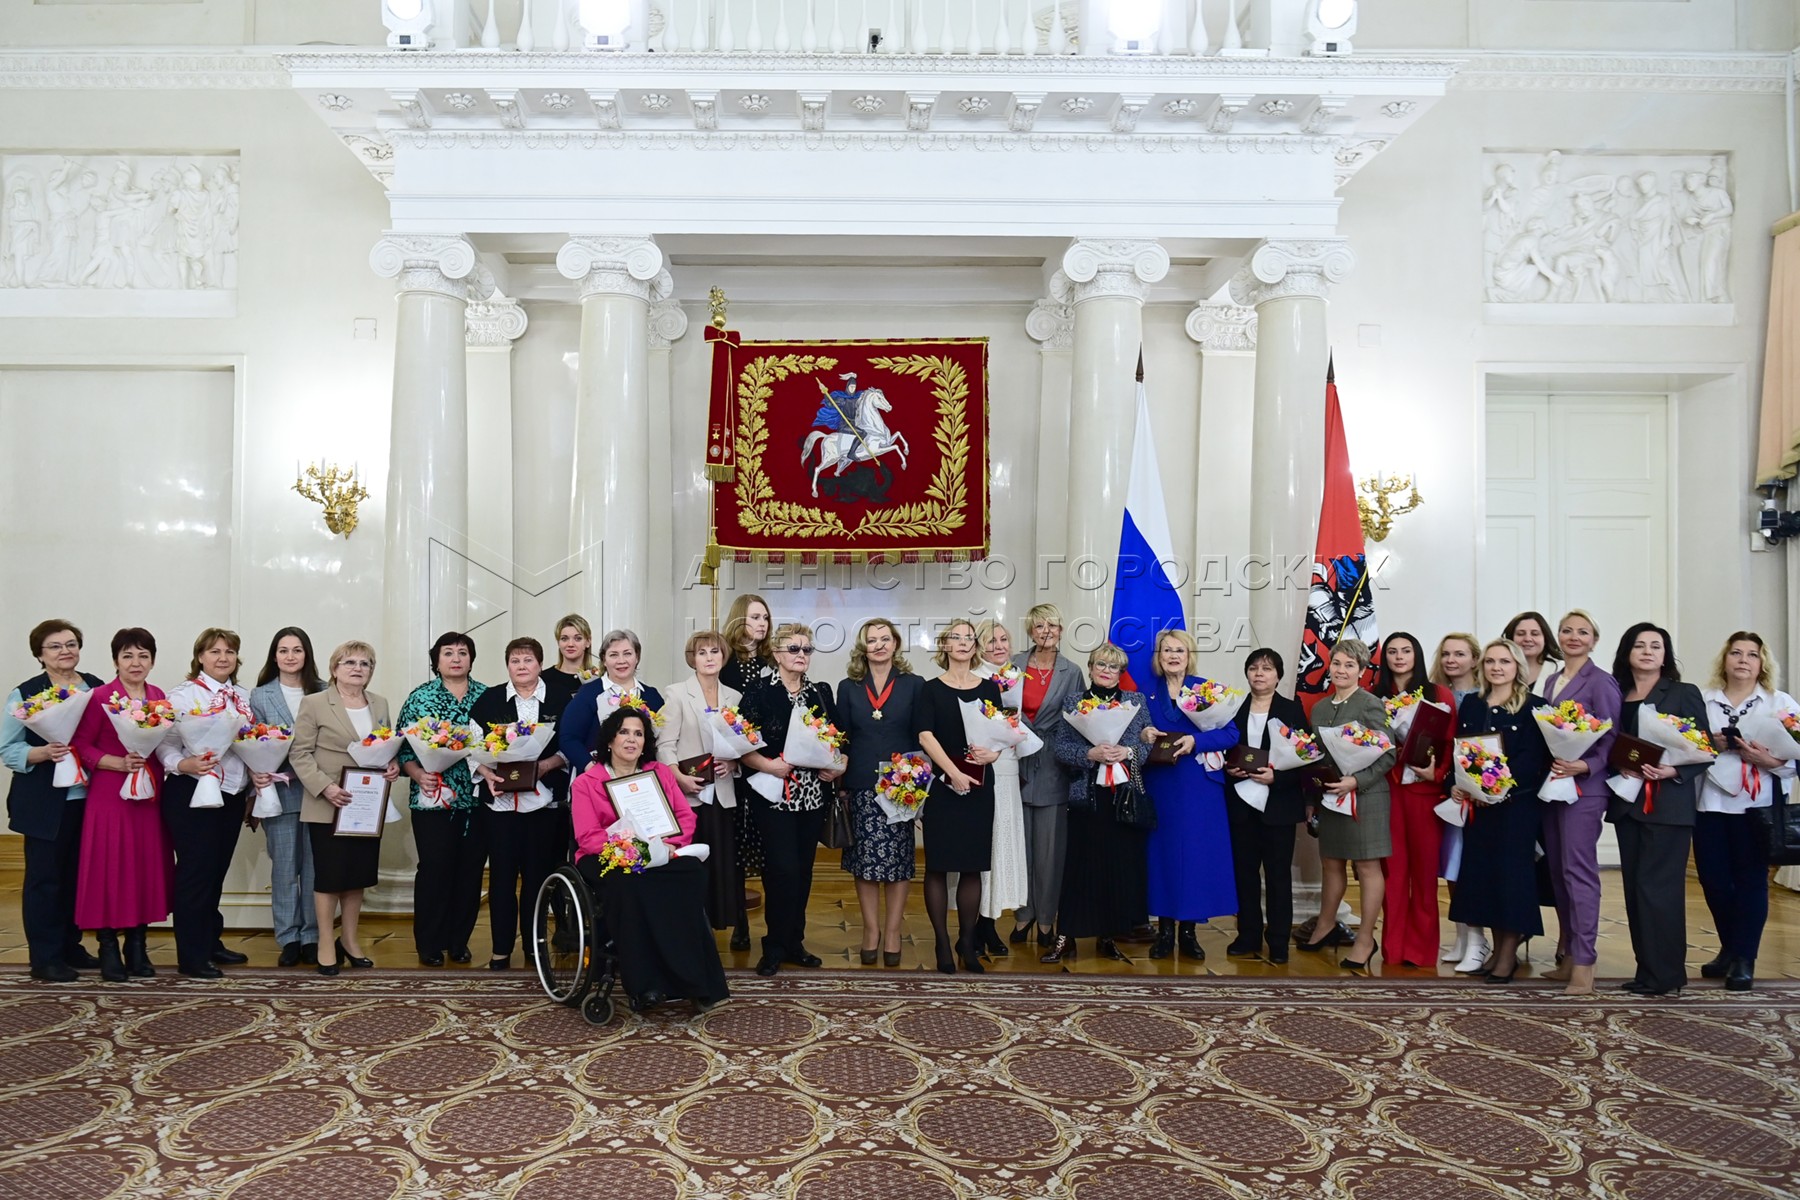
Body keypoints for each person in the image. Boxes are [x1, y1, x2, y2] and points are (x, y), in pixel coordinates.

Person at [571, 708, 729, 1013]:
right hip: (607, 857)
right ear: (609, 740)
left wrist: (670, 845)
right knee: (631, 884)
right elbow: (587, 836)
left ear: (646, 743)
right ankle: (647, 985)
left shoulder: (660, 773)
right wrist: (630, 848)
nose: (631, 739)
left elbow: (684, 817)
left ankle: (694, 980)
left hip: (660, 851)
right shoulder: (587, 783)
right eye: (624, 732)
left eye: (638, 734)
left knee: (691, 872)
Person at [289, 641, 400, 976]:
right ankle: (325, 943)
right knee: (330, 877)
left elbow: (384, 746)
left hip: (366, 806)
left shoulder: (379, 703)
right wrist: (325, 787)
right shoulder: (314, 703)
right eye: (349, 662)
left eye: (365, 664)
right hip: (328, 803)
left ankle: (350, 941)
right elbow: (299, 753)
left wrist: (392, 765)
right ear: (334, 668)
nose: (357, 668)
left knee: (357, 877)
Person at [1607, 622, 1707, 996]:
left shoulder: (1683, 693)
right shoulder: (1617, 694)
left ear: (1665, 655)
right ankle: (1646, 970)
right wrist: (1618, 765)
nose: (1648, 651)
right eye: (1640, 645)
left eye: (1656, 646)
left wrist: (1672, 770)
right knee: (1635, 891)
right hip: (1627, 803)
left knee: (1659, 891)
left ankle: (1667, 974)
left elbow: (1705, 749)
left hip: (1668, 805)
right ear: (1627, 652)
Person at [1695, 632, 1799, 992]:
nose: (1743, 660)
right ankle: (1730, 947)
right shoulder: (1704, 700)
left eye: (1752, 655)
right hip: (1710, 802)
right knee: (1713, 880)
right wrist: (1709, 743)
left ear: (1762, 663)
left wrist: (1770, 761)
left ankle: (1744, 958)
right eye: (1736, 653)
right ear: (1724, 660)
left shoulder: (1779, 702)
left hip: (1758, 807)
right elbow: (1684, 745)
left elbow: (1795, 755)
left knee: (1751, 880)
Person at [3, 620, 105, 981]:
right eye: (55, 646)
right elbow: (7, 748)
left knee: (78, 876)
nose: (65, 651)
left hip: (89, 798)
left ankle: (70, 946)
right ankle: (45, 957)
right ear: (40, 654)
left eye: (71, 644)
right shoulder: (26, 693)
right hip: (43, 801)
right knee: (45, 879)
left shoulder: (95, 688)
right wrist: (43, 753)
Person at [740, 622, 844, 976]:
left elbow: (839, 740)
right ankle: (774, 945)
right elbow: (740, 744)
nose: (802, 655)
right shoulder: (758, 691)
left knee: (802, 870)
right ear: (777, 653)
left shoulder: (820, 692)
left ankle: (794, 942)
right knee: (781, 869)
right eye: (794, 649)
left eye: (807, 650)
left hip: (812, 795)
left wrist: (837, 765)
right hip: (774, 795)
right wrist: (768, 765)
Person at [158, 628, 262, 979]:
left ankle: (209, 940)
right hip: (190, 791)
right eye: (214, 651)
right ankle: (192, 955)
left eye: (229, 651)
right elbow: (163, 743)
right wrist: (183, 764)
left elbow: (253, 746)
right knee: (195, 873)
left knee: (216, 871)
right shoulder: (182, 696)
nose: (223, 657)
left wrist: (253, 793)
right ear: (200, 657)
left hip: (231, 793)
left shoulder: (243, 698)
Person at [71, 628, 173, 982]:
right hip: (110, 794)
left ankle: (137, 945)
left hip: (148, 795)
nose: (135, 662)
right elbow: (81, 745)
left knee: (144, 866)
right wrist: (116, 763)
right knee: (109, 867)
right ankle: (107, 946)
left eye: (143, 655)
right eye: (128, 655)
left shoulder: (159, 697)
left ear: (152, 661)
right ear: (116, 660)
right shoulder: (99, 697)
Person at [1446, 639, 1551, 984]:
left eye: (1504, 661)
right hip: (1478, 810)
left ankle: (1508, 954)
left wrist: (1493, 787)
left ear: (1517, 666)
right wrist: (1458, 783)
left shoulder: (1535, 706)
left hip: (1515, 806)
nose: (1496, 667)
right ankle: (1496, 949)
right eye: (1490, 661)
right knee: (1484, 880)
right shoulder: (1472, 704)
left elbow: (1532, 759)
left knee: (1512, 880)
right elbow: (1460, 751)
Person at [469, 637, 576, 971]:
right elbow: (472, 745)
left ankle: (534, 947)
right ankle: (501, 950)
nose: (521, 666)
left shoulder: (560, 698)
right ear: (507, 666)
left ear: (540, 664)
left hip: (544, 804)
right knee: (501, 879)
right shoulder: (489, 700)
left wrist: (545, 766)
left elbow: (570, 743)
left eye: (528, 660)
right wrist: (486, 772)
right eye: (515, 661)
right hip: (500, 805)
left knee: (537, 878)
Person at [1044, 643, 1152, 964]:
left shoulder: (1135, 702)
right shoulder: (1074, 702)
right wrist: (1089, 754)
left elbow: (1146, 746)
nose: (1106, 671)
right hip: (1086, 796)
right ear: (1090, 669)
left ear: (1121, 672)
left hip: (1121, 798)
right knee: (1078, 866)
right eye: (1100, 665)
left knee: (1115, 868)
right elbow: (1060, 748)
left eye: (1113, 667)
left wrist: (1128, 752)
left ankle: (1108, 936)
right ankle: (1066, 936)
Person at [1139, 629, 1240, 961]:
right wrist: (1143, 733)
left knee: (1195, 857)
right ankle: (1165, 931)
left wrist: (1197, 741)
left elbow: (1231, 733)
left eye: (1179, 650)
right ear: (1158, 657)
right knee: (1163, 856)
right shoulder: (1144, 692)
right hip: (1160, 784)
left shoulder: (1205, 689)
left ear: (1189, 655)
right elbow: (1130, 733)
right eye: (1166, 650)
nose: (1173, 656)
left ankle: (1189, 933)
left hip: (1198, 786)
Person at [1298, 639, 1396, 972]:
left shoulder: (1370, 704)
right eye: (1337, 663)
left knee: (1367, 867)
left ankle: (1365, 938)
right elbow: (1315, 758)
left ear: (1362, 671)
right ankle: (1325, 925)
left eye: (1349, 665)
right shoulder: (1320, 708)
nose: (1341, 670)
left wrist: (1357, 780)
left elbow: (1388, 753)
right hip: (1330, 798)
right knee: (1331, 863)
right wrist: (1311, 799)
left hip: (1366, 797)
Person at [1537, 609, 1621, 995]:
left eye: (1582, 632)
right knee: (1558, 873)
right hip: (1555, 785)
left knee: (1579, 873)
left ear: (1594, 640)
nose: (1574, 637)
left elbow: (1612, 738)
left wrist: (1583, 765)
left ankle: (1585, 963)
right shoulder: (1551, 680)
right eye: (1567, 631)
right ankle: (1569, 954)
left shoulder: (1601, 682)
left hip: (1586, 789)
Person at [915, 619, 1004, 974]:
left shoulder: (990, 688)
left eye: (970, 638)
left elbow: (1001, 734)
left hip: (980, 785)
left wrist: (995, 754)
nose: (964, 642)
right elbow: (925, 736)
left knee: (972, 866)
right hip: (943, 785)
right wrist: (952, 773)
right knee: (937, 865)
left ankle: (967, 942)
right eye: (957, 637)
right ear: (945, 645)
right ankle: (941, 941)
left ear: (975, 647)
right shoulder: (930, 689)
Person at [397, 631, 489, 967]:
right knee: (435, 869)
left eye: (462, 652)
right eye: (448, 652)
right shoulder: (420, 698)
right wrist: (418, 773)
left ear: (471, 659)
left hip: (477, 800)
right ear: (436, 660)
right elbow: (403, 749)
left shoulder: (487, 696)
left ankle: (458, 941)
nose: (455, 658)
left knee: (470, 871)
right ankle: (429, 943)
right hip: (431, 797)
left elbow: (498, 744)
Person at [836, 617, 924, 967]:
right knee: (865, 863)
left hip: (901, 785)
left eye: (885, 639)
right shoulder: (848, 687)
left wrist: (918, 787)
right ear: (863, 647)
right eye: (872, 640)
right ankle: (871, 931)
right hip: (860, 784)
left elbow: (921, 736)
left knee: (899, 863)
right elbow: (842, 738)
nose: (879, 645)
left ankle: (893, 933)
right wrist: (839, 783)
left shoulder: (914, 685)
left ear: (895, 643)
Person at [1372, 632, 1457, 969]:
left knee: (1424, 874)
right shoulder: (1374, 696)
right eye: (1392, 651)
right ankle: (1393, 949)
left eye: (1406, 650)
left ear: (1417, 655)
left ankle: (1421, 951)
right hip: (1387, 792)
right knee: (1392, 874)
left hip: (1425, 793)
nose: (1399, 657)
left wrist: (1437, 773)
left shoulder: (1439, 694)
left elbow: (1450, 743)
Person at [657, 630, 745, 938]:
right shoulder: (677, 693)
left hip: (721, 794)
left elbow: (740, 745)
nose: (709, 658)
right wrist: (678, 778)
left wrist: (733, 763)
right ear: (692, 659)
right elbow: (665, 744)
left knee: (720, 867)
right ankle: (688, 930)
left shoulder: (734, 697)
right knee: (692, 867)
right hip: (688, 796)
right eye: (702, 652)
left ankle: (713, 931)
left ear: (724, 656)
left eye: (715, 652)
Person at [1224, 647, 1310, 965]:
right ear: (1247, 673)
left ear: (1278, 676)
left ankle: (1278, 940)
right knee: (1244, 874)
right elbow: (1222, 750)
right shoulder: (1232, 708)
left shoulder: (1292, 710)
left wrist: (1278, 777)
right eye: (1254, 668)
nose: (1259, 673)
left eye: (1267, 668)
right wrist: (1228, 769)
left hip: (1278, 806)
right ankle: (1247, 935)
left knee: (1277, 876)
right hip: (1241, 804)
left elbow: (1306, 758)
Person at [248, 627, 325, 967]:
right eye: (283, 650)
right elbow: (250, 741)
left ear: (307, 654)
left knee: (314, 868)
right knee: (284, 868)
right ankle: (288, 937)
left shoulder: (324, 690)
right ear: (274, 656)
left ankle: (312, 936)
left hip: (319, 792)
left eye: (297, 650)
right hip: (279, 791)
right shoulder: (260, 695)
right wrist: (256, 774)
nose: (290, 656)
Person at [1010, 603, 1084, 948]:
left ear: (1061, 630)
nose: (1046, 632)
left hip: (1054, 764)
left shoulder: (1072, 671)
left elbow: (1078, 720)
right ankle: (1023, 915)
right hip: (1015, 761)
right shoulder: (1013, 665)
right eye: (1040, 626)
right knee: (1019, 847)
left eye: (1052, 626)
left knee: (1049, 852)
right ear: (1031, 631)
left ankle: (1045, 920)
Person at [719, 593, 775, 951]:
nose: (761, 624)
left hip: (768, 766)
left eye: (765, 618)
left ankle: (774, 928)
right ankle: (739, 923)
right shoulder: (724, 662)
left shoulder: (773, 659)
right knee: (736, 849)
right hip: (734, 769)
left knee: (768, 848)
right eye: (755, 617)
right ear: (740, 619)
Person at [1429, 632, 1487, 972]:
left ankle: (1479, 939)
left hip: (1479, 794)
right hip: (1447, 790)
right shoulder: (1437, 696)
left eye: (1460, 654)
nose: (1452, 660)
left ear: (1474, 659)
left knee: (1472, 866)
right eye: (1447, 654)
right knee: (1452, 865)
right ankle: (1463, 935)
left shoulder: (1483, 697)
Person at [973, 619, 1028, 958]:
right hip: (981, 768)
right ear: (979, 646)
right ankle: (975, 925)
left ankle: (991, 922)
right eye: (991, 640)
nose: (998, 645)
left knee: (1002, 846)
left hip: (1008, 769)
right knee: (982, 847)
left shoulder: (1017, 677)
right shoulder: (973, 677)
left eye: (1003, 639)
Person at [560, 629, 665, 780]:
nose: (621, 661)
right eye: (613, 655)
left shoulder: (652, 696)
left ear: (637, 657)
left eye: (627, 653)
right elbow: (568, 739)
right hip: (596, 779)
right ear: (604, 659)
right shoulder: (588, 694)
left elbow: (661, 742)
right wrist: (595, 771)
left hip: (641, 779)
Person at [1503, 611, 1561, 696]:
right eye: (1520, 634)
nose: (1528, 639)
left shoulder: (1562, 669)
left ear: (1545, 638)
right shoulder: (1499, 668)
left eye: (1535, 634)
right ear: (1511, 638)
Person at [551, 614, 596, 686]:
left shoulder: (599, 679)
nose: (570, 644)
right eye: (564, 639)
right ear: (558, 642)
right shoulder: (542, 679)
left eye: (578, 638)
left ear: (588, 642)